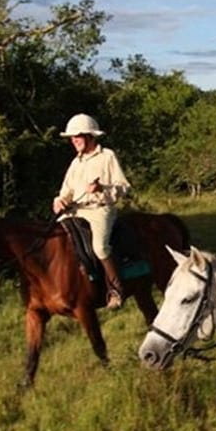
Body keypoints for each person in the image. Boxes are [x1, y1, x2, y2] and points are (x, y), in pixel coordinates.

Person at [52, 113, 131, 309]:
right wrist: (60, 201)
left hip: (99, 210)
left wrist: (102, 188)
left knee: (100, 247)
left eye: (77, 136)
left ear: (90, 136)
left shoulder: (107, 156)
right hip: (74, 211)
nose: (73, 140)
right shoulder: (75, 162)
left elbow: (123, 187)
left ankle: (115, 291)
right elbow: (66, 191)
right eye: (71, 137)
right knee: (54, 239)